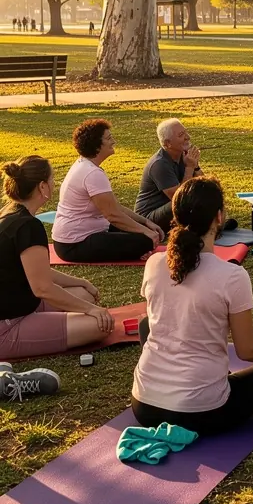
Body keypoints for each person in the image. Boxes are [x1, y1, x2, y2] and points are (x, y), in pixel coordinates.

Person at [131, 176, 253, 435]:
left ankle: (213, 382)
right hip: (201, 413)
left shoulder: (154, 263)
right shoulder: (231, 275)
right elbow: (247, 350)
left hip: (144, 406)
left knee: (147, 323)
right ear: (219, 217)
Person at [0, 156, 113, 386]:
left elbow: (37, 271)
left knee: (84, 294)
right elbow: (42, 287)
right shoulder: (27, 226)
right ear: (42, 187)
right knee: (99, 325)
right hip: (8, 326)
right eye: (52, 179)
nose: (54, 184)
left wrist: (80, 281)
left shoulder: (11, 213)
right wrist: (92, 310)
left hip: (22, 304)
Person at [52, 120, 163, 263]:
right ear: (96, 145)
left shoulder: (86, 166)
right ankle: (140, 249)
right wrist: (145, 231)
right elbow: (112, 215)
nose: (114, 141)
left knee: (147, 236)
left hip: (85, 235)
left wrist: (146, 223)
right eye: (109, 138)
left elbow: (115, 207)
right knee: (145, 241)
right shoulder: (91, 173)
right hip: (75, 244)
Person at [135, 119, 204, 234]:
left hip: (171, 208)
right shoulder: (159, 164)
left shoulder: (184, 155)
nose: (188, 137)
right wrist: (189, 168)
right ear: (167, 144)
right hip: (148, 219)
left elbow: (205, 185)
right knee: (189, 200)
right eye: (181, 135)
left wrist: (195, 166)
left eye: (186, 132)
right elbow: (180, 198)